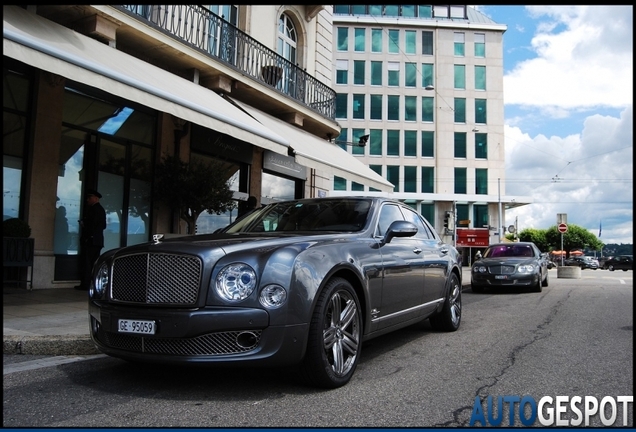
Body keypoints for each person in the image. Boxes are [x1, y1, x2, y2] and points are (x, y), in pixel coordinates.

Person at [75, 189, 107, 290]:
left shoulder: (94, 209)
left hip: (91, 241)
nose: (88, 200)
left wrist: (84, 226)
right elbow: (102, 225)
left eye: (90, 198)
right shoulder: (100, 209)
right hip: (96, 241)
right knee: (93, 264)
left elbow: (93, 225)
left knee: (87, 263)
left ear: (95, 198)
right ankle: (92, 284)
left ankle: (86, 284)